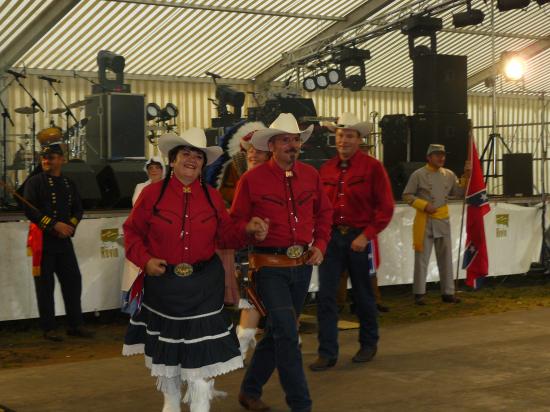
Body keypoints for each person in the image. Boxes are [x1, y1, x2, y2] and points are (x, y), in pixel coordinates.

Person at [122, 128, 268, 412]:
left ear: (203, 163)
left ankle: (201, 405)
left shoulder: (212, 197)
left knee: (201, 355)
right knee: (170, 352)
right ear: (173, 160)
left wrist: (248, 230)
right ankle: (172, 403)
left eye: (197, 156)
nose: (191, 159)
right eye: (185, 154)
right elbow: (131, 234)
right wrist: (146, 260)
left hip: (204, 287)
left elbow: (226, 236)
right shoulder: (151, 194)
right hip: (163, 287)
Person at [231, 113, 333, 412]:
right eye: (285, 140)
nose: (292, 145)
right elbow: (235, 223)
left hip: (301, 267)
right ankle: (301, 405)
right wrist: (250, 227)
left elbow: (324, 214)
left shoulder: (311, 175)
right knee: (288, 334)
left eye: (296, 139)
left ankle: (249, 391)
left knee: (278, 331)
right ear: (272, 145)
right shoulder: (251, 180)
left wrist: (321, 245)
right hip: (267, 267)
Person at [311, 113, 394, 372]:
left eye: (349, 136)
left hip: (358, 236)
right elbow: (319, 208)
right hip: (332, 237)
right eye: (340, 136)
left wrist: (365, 236)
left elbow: (385, 208)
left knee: (363, 294)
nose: (343, 140)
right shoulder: (325, 170)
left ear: (359, 139)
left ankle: (368, 343)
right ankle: (327, 352)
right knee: (326, 297)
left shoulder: (373, 167)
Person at [23, 143, 92, 342]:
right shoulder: (34, 182)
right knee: (45, 287)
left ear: (62, 160)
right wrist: (54, 226)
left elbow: (78, 209)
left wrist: (69, 226)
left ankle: (76, 324)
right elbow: (31, 210)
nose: (46, 161)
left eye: (51, 158)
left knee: (73, 283)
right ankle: (49, 328)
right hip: (44, 242)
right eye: (44, 158)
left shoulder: (69, 184)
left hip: (64, 243)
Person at [215, 121, 271, 358]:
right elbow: (228, 208)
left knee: (272, 299)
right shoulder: (237, 174)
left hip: (275, 250)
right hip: (246, 248)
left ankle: (282, 339)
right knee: (250, 295)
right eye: (249, 149)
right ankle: (243, 344)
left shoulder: (277, 178)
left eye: (258, 150)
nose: (253, 154)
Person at [402, 144, 470, 305]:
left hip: (442, 220)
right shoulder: (418, 175)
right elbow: (406, 195)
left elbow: (460, 193)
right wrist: (423, 205)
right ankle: (419, 293)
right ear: (429, 157)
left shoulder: (449, 174)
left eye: (443, 155)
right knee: (422, 259)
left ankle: (448, 292)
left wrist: (467, 176)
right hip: (424, 220)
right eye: (437, 155)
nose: (441, 158)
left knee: (446, 258)